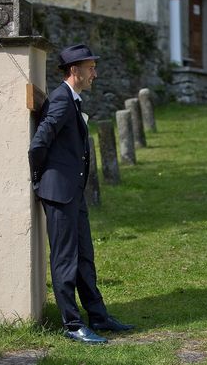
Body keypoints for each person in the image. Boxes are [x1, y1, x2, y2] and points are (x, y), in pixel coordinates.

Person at [29, 44, 133, 344]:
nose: (94, 74)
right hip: (59, 193)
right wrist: (40, 180)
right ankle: (72, 324)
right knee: (65, 259)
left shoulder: (71, 100)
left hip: (73, 192)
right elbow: (38, 145)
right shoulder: (61, 100)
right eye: (90, 68)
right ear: (74, 71)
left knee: (85, 255)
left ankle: (97, 315)